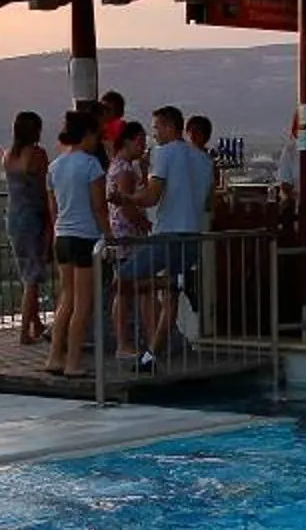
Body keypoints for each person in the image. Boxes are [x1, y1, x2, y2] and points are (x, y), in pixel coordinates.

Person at [137, 104, 214, 371]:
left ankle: (178, 281)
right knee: (170, 299)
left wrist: (125, 198)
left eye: (156, 128)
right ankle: (151, 356)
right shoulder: (204, 160)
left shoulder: (165, 153)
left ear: (170, 127)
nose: (154, 134)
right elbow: (207, 201)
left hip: (168, 232)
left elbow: (152, 196)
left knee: (124, 280)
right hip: (192, 232)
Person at [44, 109, 108, 378]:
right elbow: (99, 206)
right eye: (96, 136)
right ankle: (73, 362)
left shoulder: (54, 166)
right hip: (85, 238)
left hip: (63, 237)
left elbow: (53, 209)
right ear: (88, 134)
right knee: (83, 304)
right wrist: (110, 237)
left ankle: (54, 357)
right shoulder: (91, 165)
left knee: (66, 299)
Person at [104, 119, 155, 359]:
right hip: (128, 237)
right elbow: (126, 205)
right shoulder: (124, 170)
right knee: (127, 290)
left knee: (129, 289)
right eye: (139, 142)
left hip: (122, 235)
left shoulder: (118, 166)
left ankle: (134, 340)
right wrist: (144, 225)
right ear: (127, 141)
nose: (142, 147)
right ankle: (124, 342)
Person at [1, 111, 51, 347]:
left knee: (26, 270)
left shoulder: (7, 155)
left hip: (13, 215)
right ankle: (24, 331)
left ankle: (36, 322)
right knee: (33, 275)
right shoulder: (37, 155)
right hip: (33, 215)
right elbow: (44, 188)